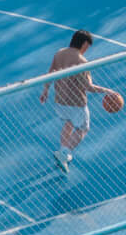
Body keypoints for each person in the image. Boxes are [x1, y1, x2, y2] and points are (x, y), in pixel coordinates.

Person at [40, 31, 116, 173]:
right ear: (84, 43)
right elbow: (88, 87)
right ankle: (64, 153)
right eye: (88, 46)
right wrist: (107, 91)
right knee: (83, 128)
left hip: (60, 100)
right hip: (76, 103)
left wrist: (45, 90)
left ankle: (62, 152)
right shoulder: (81, 62)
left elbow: (50, 73)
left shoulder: (59, 53)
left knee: (68, 123)